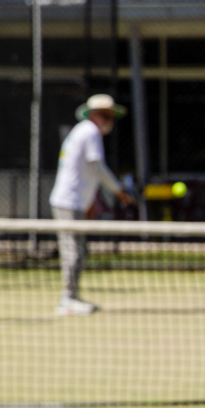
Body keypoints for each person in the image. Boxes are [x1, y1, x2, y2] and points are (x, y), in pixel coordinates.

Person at [48, 93, 134, 315]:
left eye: (111, 116)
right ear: (94, 115)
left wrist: (90, 202)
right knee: (73, 250)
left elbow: (86, 171)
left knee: (78, 249)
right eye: (105, 115)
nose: (109, 121)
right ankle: (68, 299)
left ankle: (71, 297)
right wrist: (118, 191)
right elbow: (97, 166)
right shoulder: (90, 131)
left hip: (74, 202)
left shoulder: (83, 132)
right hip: (68, 202)